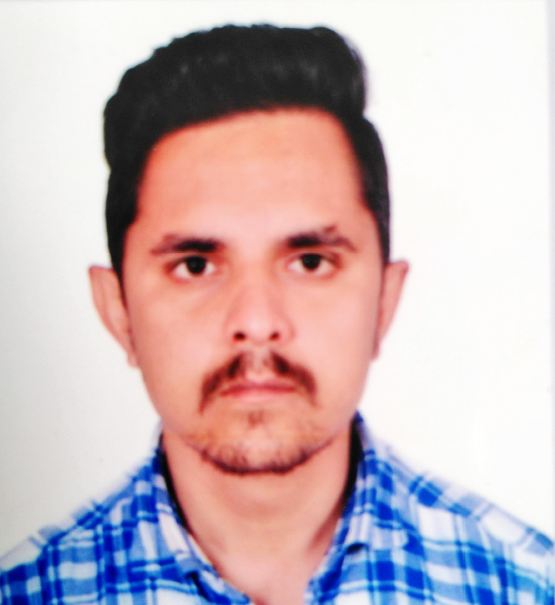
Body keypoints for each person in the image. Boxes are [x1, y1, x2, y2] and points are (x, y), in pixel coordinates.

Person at [0, 23, 552, 605]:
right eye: (195, 266)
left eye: (310, 262)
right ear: (118, 311)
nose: (258, 321)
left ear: (385, 301)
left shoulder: (527, 588)